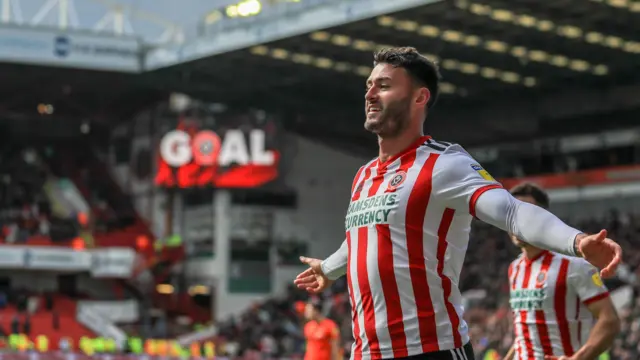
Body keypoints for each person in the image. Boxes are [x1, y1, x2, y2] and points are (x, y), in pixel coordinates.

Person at [293, 47, 622, 360]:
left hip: (430, 349)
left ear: (419, 97)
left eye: (384, 86)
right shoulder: (364, 176)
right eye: (369, 86)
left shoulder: (443, 164)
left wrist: (576, 241)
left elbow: (511, 210)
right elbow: (363, 239)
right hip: (365, 352)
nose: (370, 94)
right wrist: (329, 268)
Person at [503, 183, 620, 360]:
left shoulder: (574, 264)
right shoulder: (515, 268)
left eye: (525, 214)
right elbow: (525, 334)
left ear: (542, 218)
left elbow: (609, 321)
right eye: (512, 214)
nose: (517, 222)